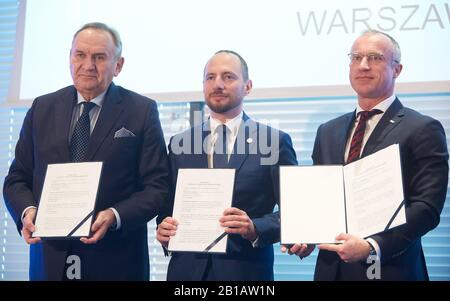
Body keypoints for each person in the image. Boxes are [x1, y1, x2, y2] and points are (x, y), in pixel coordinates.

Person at [3, 22, 170, 280]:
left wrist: (114, 216)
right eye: (80, 55)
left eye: (99, 57)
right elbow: (17, 178)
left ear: (119, 65)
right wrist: (27, 211)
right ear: (70, 58)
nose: (88, 65)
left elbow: (157, 187)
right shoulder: (42, 108)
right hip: (49, 262)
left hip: (116, 263)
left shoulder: (141, 110)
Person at [286, 30, 448, 280]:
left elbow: (427, 207)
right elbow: (323, 200)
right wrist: (305, 234)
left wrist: (373, 246)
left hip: (392, 268)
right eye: (356, 57)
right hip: (332, 269)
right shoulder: (328, 131)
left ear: (397, 69)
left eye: (375, 58)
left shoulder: (423, 128)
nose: (363, 65)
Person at [156, 50, 297, 280]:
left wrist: (255, 228)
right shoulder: (180, 142)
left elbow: (295, 210)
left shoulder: (274, 142)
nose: (218, 84)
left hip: (245, 271)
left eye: (228, 77)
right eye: (210, 77)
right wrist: (163, 228)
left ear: (248, 86)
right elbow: (167, 205)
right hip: (186, 273)